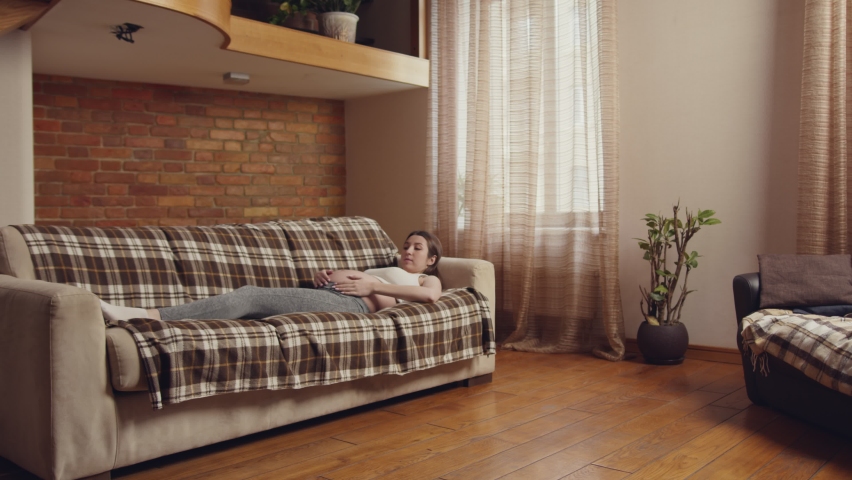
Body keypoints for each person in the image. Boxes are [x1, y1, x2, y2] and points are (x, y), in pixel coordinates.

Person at [100, 231, 443, 322]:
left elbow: (430, 299)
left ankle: (146, 315)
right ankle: (153, 315)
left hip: (353, 306)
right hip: (335, 295)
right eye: (405, 246)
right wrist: (323, 275)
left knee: (249, 296)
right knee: (248, 305)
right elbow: (358, 280)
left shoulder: (426, 280)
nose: (408, 251)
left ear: (432, 259)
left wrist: (372, 285)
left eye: (417, 248)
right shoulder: (386, 265)